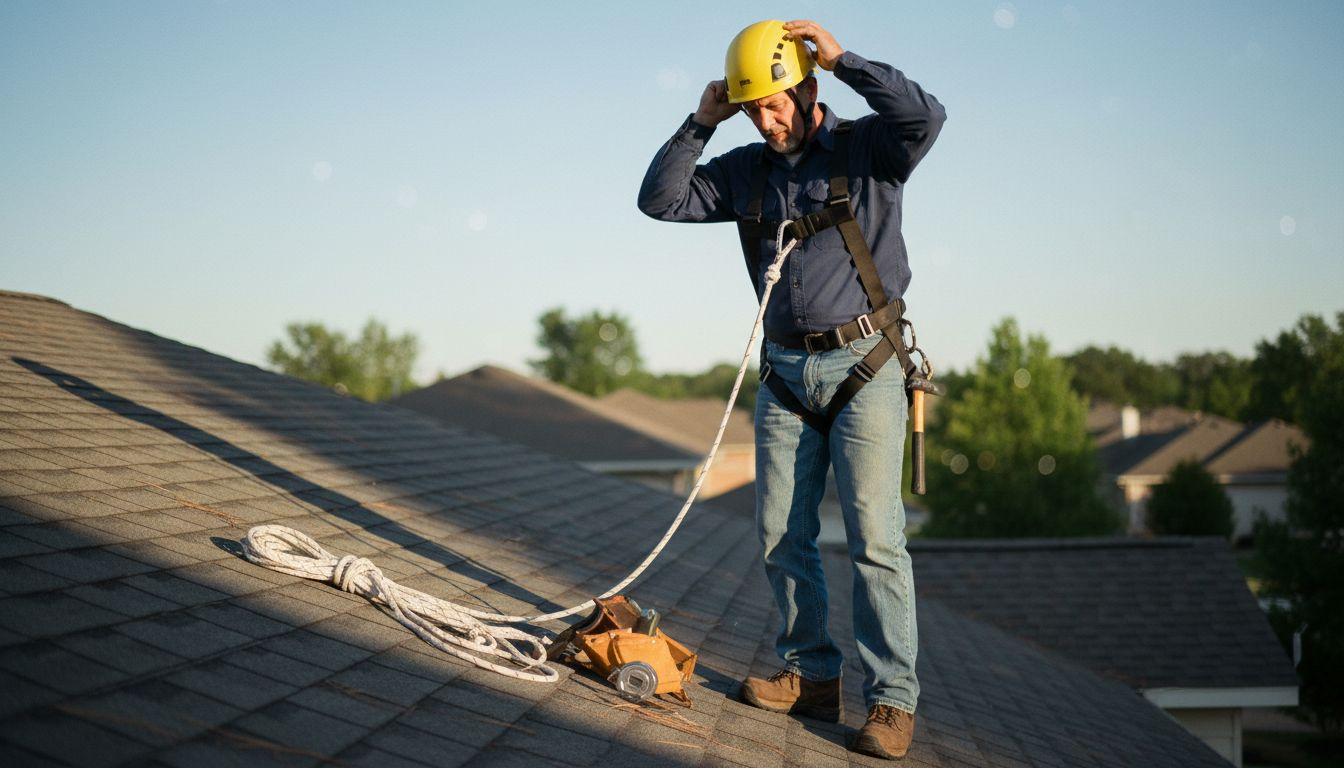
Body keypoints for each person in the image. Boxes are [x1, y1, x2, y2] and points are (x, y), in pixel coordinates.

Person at [637, 18, 945, 760]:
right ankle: (809, 671)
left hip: (864, 366)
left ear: (807, 89)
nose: (766, 121)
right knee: (780, 529)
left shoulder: (870, 149)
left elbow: (926, 116)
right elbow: (660, 199)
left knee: (875, 538)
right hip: (783, 374)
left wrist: (847, 63)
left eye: (776, 104)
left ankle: (892, 703)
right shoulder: (744, 167)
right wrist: (700, 122)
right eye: (752, 109)